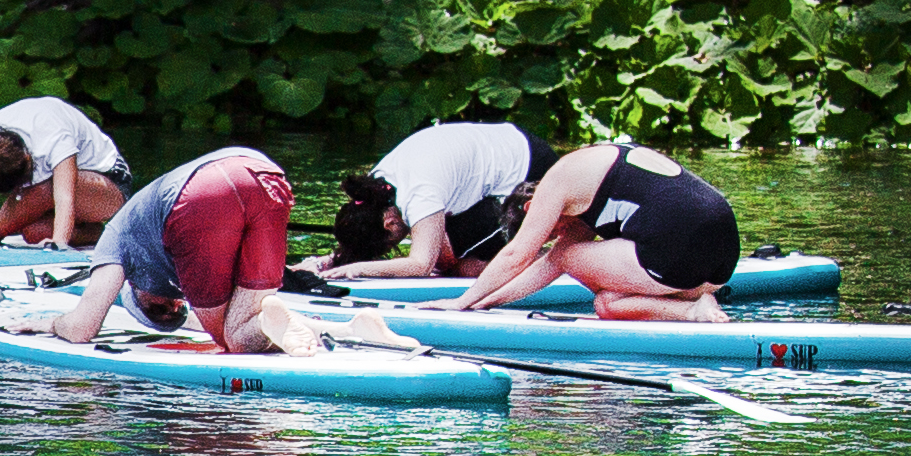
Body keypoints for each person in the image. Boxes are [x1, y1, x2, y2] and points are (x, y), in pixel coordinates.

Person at [51, 147, 341, 355]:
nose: (174, 304)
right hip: (263, 174)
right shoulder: (175, 259)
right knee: (246, 321)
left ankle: (267, 325)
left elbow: (80, 329)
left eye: (157, 308)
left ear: (133, 286)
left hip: (203, 191)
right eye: (175, 312)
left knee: (234, 341)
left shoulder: (115, 241)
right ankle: (354, 329)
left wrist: (51, 324)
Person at [446, 137, 746, 318]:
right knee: (608, 304)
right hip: (723, 253)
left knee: (571, 256)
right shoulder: (588, 180)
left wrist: (462, 303)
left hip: (681, 248)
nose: (559, 237)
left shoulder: (558, 180)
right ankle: (694, 307)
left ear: (531, 207)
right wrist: (487, 302)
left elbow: (520, 256)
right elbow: (550, 265)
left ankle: (694, 303)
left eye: (551, 233)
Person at [327, 120, 550, 278]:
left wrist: (359, 269)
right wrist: (333, 260)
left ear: (390, 223)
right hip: (507, 141)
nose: (395, 244)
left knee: (460, 268)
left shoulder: (419, 194)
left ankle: (552, 258)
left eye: (391, 244)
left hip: (531, 171)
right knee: (445, 256)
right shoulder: (375, 186)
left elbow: (421, 265)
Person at [0, 96, 128, 245]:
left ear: (28, 159)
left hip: (111, 186)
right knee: (35, 234)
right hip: (72, 199)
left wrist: (59, 244)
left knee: (46, 188)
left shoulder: (54, 136)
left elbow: (64, 196)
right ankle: (94, 233)